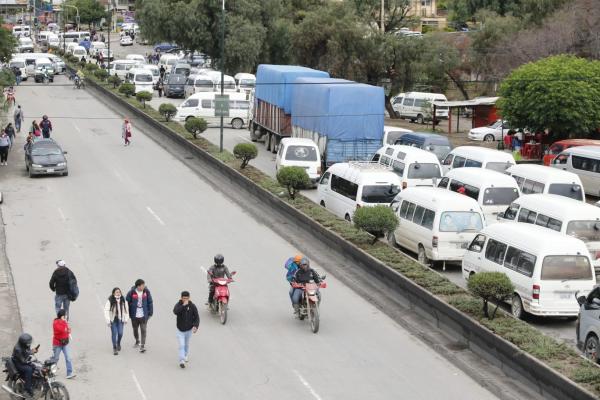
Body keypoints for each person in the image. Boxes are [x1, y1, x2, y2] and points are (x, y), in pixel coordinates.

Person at [173, 291, 199, 369]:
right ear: (181, 298)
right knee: (182, 345)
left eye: (187, 298)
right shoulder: (178, 305)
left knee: (186, 345)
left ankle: (185, 355)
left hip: (189, 330)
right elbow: (175, 312)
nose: (186, 300)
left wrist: (195, 326)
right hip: (180, 330)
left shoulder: (192, 306)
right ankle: (182, 361)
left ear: (189, 298)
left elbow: (197, 317)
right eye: (184, 298)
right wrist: (183, 306)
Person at [125, 279, 153, 353]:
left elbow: (150, 302)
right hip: (134, 315)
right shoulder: (131, 292)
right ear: (138, 286)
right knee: (135, 329)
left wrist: (150, 313)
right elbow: (126, 302)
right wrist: (127, 313)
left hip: (144, 314)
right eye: (142, 285)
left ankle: (142, 345)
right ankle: (137, 340)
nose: (144, 286)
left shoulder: (146, 292)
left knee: (143, 330)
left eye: (144, 285)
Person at [104, 287, 129, 355]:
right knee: (114, 333)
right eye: (117, 292)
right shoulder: (110, 300)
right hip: (113, 320)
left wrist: (126, 319)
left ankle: (118, 343)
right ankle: (114, 347)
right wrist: (108, 321)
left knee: (120, 333)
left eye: (119, 292)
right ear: (113, 293)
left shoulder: (123, 300)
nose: (118, 293)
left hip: (120, 319)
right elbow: (106, 310)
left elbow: (126, 310)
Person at [12, 333, 38, 398]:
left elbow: (27, 351)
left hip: (23, 360)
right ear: (23, 343)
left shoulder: (25, 345)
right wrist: (31, 353)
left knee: (37, 367)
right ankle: (27, 389)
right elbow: (23, 361)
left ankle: (32, 381)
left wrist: (33, 351)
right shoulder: (17, 349)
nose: (29, 344)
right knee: (29, 369)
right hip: (18, 363)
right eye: (28, 343)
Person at [52, 309, 76, 379]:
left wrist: (68, 329)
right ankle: (51, 372)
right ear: (62, 316)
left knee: (68, 358)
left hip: (65, 343)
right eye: (65, 315)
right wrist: (65, 325)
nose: (66, 317)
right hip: (57, 344)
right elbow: (62, 330)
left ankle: (69, 373)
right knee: (55, 359)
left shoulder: (64, 322)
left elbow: (67, 330)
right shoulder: (55, 323)